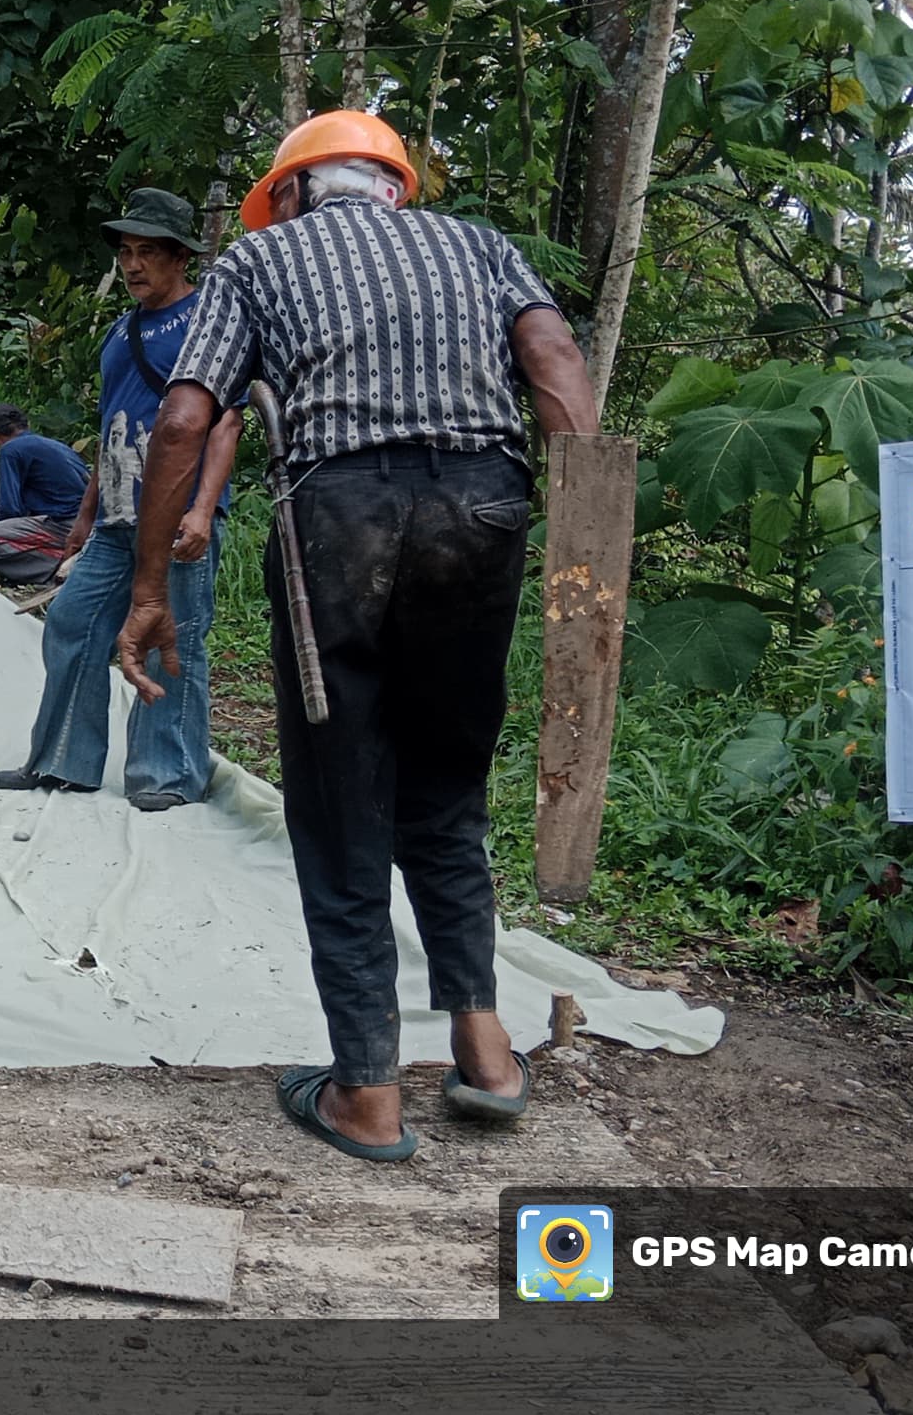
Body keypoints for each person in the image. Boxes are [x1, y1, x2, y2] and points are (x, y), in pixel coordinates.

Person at [116, 110, 594, 1163]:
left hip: (342, 519)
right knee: (446, 789)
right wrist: (587, 552)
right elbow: (553, 360)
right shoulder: (479, 245)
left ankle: (367, 1095)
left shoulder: (261, 257)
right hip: (484, 511)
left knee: (342, 807)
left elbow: (188, 420)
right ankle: (487, 1052)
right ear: (393, 186)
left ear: (290, 193)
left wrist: (149, 586)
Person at [0, 188, 241, 810]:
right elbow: (112, 425)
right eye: (127, 252)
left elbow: (226, 423)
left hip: (180, 517)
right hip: (115, 519)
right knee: (73, 623)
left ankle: (168, 773)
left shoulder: (205, 324)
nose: (133, 265)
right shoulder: (120, 331)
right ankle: (63, 761)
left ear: (181, 256)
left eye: (148, 252)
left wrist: (204, 508)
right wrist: (85, 515)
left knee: (173, 642)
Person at [0, 406, 91, 583]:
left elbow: (9, 508)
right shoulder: (55, 445)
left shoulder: (11, 449)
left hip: (65, 524)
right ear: (26, 425)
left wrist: (0, 533)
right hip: (87, 521)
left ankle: (56, 568)